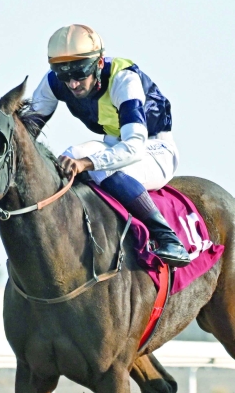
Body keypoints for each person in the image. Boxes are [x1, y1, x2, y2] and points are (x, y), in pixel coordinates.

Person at [27, 24, 191, 267]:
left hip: (154, 149)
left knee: (95, 166)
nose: (72, 84)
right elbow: (27, 130)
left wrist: (87, 163)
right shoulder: (54, 82)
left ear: (99, 64)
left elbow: (134, 146)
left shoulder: (124, 80)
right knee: (69, 157)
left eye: (80, 73)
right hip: (113, 145)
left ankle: (168, 238)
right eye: (64, 76)